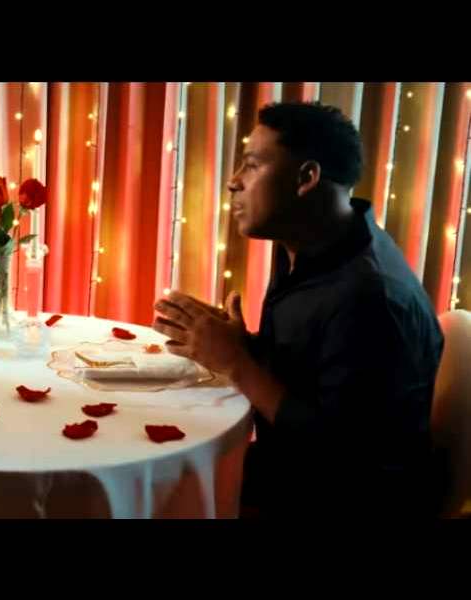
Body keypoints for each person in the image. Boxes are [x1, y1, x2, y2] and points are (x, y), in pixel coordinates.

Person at [153, 102, 443, 517]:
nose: (234, 182)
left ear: (307, 178)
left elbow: (339, 454)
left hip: (339, 499)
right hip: (294, 470)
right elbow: (309, 372)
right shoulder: (306, 244)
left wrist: (237, 362)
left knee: (158, 494)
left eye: (252, 165)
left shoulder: (369, 297)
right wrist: (243, 345)